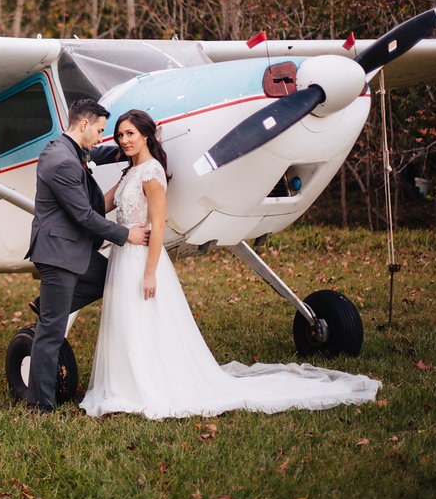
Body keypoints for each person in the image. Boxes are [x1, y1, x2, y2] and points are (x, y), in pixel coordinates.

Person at [79, 109, 381, 419]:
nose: (124, 140)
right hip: (121, 256)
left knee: (143, 320)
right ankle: (125, 384)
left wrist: (150, 272)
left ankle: (148, 385)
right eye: (120, 135)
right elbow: (100, 206)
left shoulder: (152, 173)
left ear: (145, 135)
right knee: (125, 321)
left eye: (130, 133)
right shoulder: (130, 173)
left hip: (143, 258)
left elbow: (158, 225)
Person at [24, 99, 149, 414]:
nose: (101, 137)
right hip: (59, 252)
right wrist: (126, 235)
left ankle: (48, 304)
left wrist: (129, 149)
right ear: (84, 125)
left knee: (109, 279)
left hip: (74, 250)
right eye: (100, 130)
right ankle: (41, 405)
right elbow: (84, 216)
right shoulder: (61, 161)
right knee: (51, 332)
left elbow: (95, 154)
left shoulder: (69, 150)